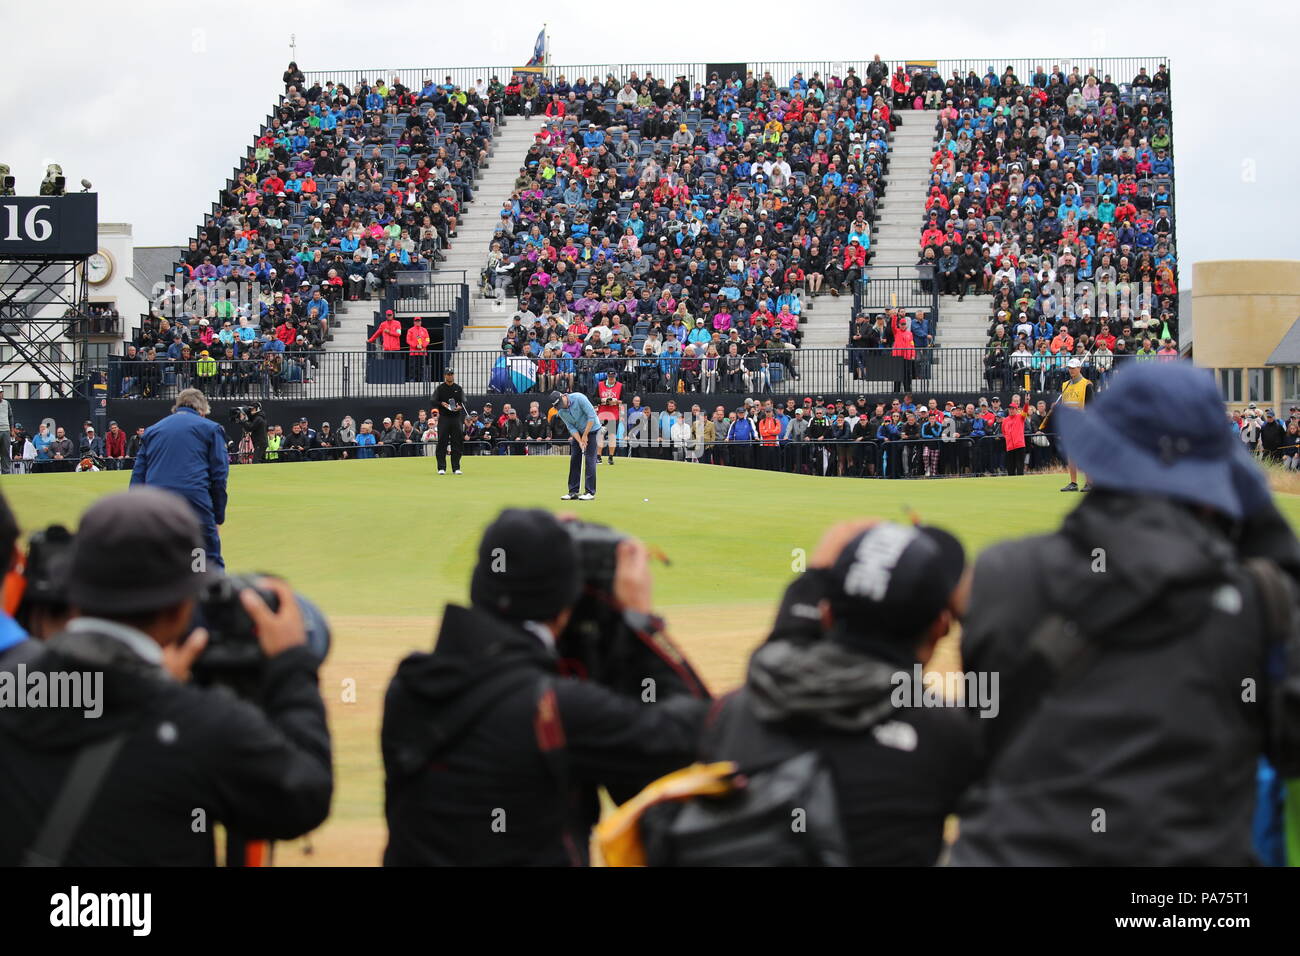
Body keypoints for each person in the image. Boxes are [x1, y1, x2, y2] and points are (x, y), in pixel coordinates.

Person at [951, 363, 1300, 866]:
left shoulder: (1006, 574)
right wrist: (1259, 516)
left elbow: (992, 727)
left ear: (1101, 456)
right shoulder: (1259, 602)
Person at [0, 489, 332, 866]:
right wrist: (290, 665)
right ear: (181, 608)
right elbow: (302, 794)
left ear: (73, 593)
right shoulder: (201, 726)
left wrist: (153, 689)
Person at [382, 509, 709, 866]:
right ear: (565, 599)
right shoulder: (557, 709)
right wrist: (640, 626)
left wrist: (539, 550)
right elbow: (697, 739)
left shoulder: (408, 688)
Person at [670, 519, 980, 866]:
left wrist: (812, 577)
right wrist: (979, 618)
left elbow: (784, 656)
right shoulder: (946, 735)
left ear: (827, 615)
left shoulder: (733, 711)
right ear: (941, 628)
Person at [129, 388, 230, 570]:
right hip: (195, 503)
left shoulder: (152, 431)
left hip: (156, 505)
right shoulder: (210, 428)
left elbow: (138, 477)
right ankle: (206, 593)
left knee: (159, 562)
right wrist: (218, 517)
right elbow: (219, 476)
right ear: (202, 410)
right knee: (205, 561)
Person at [1053, 357, 1094, 491]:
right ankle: (1073, 483)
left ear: (1079, 368)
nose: (1071, 370)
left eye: (1074, 368)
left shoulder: (1087, 384)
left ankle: (1089, 483)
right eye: (1070, 368)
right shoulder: (1065, 385)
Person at [551, 389, 598, 500]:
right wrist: (580, 440)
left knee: (590, 459)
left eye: (561, 403)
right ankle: (573, 491)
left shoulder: (579, 398)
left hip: (592, 429)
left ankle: (590, 492)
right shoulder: (561, 411)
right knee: (575, 459)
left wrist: (585, 435)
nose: (561, 406)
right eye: (558, 406)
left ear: (563, 396)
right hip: (578, 432)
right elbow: (571, 427)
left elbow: (591, 416)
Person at [433, 367, 466, 474]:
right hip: (444, 418)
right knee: (442, 442)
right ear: (445, 376)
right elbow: (433, 400)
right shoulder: (440, 388)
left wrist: (459, 406)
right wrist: (442, 403)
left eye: (451, 374)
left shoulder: (458, 388)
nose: (450, 376)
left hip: (456, 418)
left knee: (457, 443)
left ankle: (456, 468)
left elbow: (464, 401)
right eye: (448, 374)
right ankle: (441, 467)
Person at [0, 386, 11, 474]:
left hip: (6, 430)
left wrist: (11, 429)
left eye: (1, 392)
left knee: (6, 453)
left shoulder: (6, 403)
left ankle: (6, 472)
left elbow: (10, 416)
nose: (1, 394)